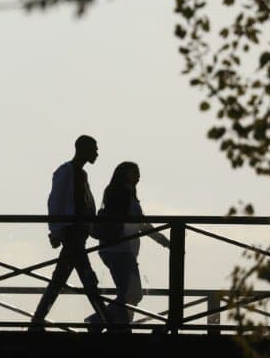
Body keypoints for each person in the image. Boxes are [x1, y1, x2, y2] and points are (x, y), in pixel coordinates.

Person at [29, 135, 110, 331]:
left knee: (63, 280)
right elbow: (55, 202)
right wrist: (56, 230)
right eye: (94, 149)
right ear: (82, 149)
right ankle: (109, 322)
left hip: (76, 233)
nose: (97, 153)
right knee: (86, 281)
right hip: (73, 233)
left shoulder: (79, 174)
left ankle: (37, 320)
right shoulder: (67, 172)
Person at [86, 161, 170, 332]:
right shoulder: (122, 194)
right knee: (132, 294)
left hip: (116, 249)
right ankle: (99, 321)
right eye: (134, 172)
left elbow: (140, 223)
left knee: (128, 295)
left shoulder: (120, 193)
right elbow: (142, 223)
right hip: (119, 250)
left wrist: (162, 240)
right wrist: (164, 241)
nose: (138, 176)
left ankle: (117, 327)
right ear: (125, 174)